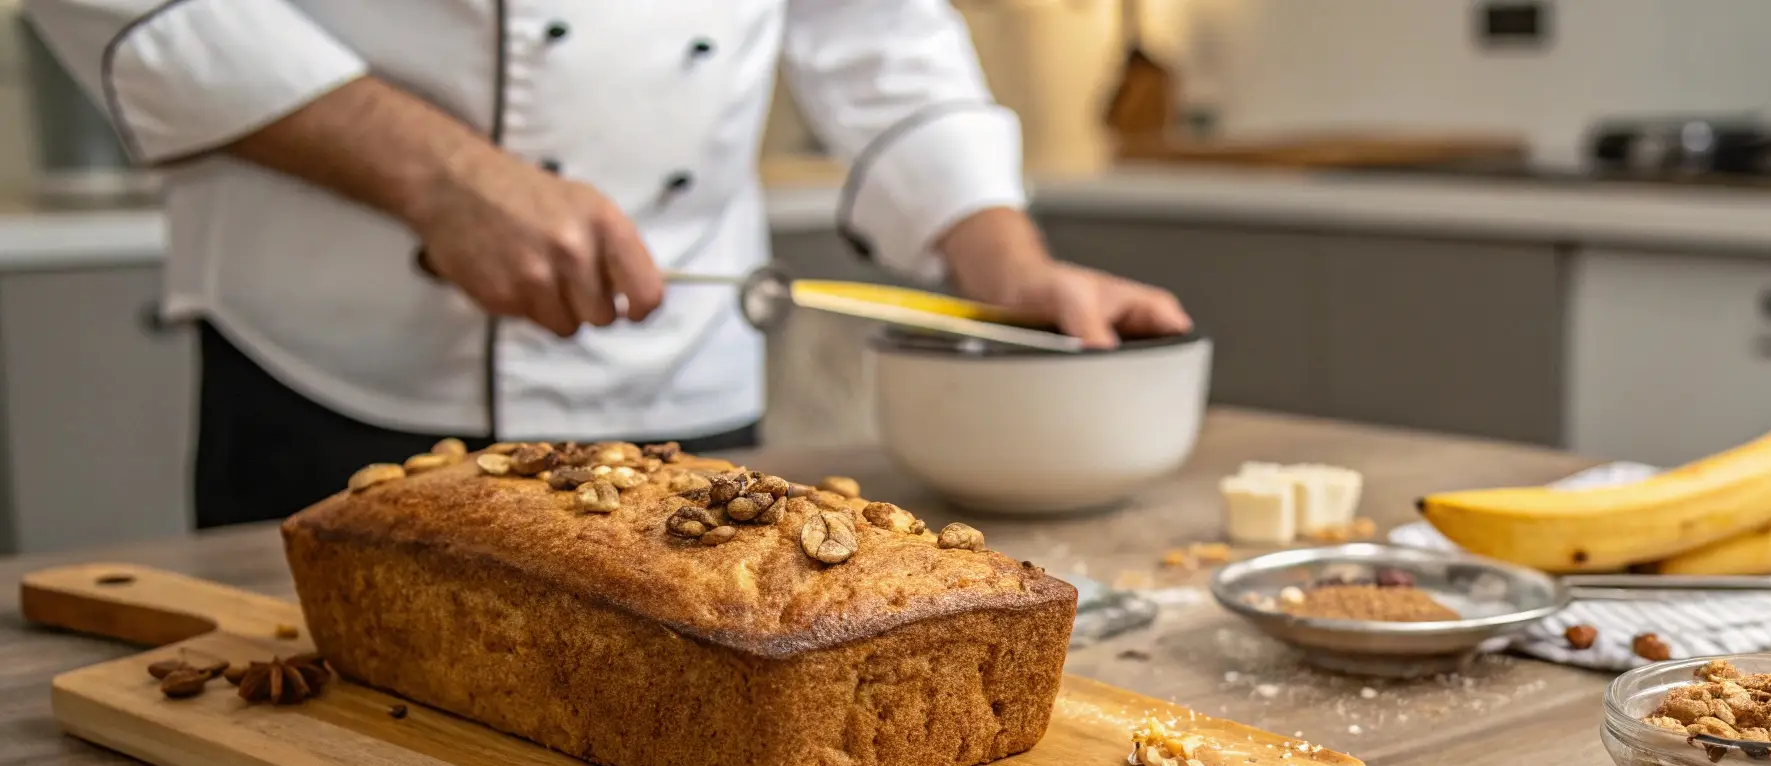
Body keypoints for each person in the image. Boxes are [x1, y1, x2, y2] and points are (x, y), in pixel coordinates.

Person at [24, 1, 1191, 527]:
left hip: (681, 389)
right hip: (332, 375)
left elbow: (877, 31)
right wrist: (439, 177)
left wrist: (1001, 259)